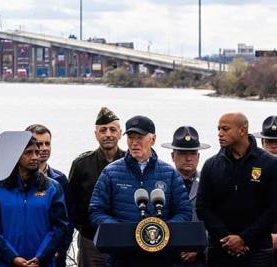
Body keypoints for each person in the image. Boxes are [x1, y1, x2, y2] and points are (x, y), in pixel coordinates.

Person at [89, 115, 192, 267]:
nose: (134, 142)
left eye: (140, 137)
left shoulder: (170, 174)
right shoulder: (110, 172)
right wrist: (118, 230)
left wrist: (162, 231)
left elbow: (184, 212)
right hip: (122, 258)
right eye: (131, 137)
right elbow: (96, 211)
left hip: (162, 258)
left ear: (153, 139)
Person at [196, 112, 277, 267]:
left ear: (242, 130)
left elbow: (275, 208)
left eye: (225, 129)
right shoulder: (211, 165)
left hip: (257, 250)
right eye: (219, 129)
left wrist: (244, 239)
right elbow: (203, 207)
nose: (220, 134)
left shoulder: (270, 164)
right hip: (221, 249)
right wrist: (227, 238)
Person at [0, 136, 69, 267]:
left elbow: (59, 226)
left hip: (42, 263)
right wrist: (12, 257)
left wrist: (41, 257)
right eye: (28, 152)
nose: (35, 157)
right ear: (15, 156)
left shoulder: (52, 187)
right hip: (7, 263)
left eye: (36, 152)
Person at [68, 107, 125, 267]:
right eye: (103, 130)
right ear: (96, 134)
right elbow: (71, 205)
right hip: (91, 241)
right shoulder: (81, 165)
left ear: (120, 133)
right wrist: (83, 228)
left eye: (113, 129)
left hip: (124, 240)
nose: (108, 134)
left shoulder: (131, 163)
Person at [25, 124, 74, 267]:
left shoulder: (60, 180)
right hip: (24, 253)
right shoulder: (11, 182)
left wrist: (61, 248)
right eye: (40, 144)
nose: (44, 148)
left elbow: (69, 218)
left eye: (48, 143)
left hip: (54, 255)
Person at [162, 126, 210, 267]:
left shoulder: (209, 183)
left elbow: (216, 222)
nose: (188, 158)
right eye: (183, 153)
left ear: (199, 157)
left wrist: (199, 245)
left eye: (193, 153)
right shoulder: (162, 184)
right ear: (172, 156)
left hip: (200, 257)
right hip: (168, 255)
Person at [253, 115, 277, 265]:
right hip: (257, 248)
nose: (273, 146)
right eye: (269, 142)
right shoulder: (251, 172)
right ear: (262, 143)